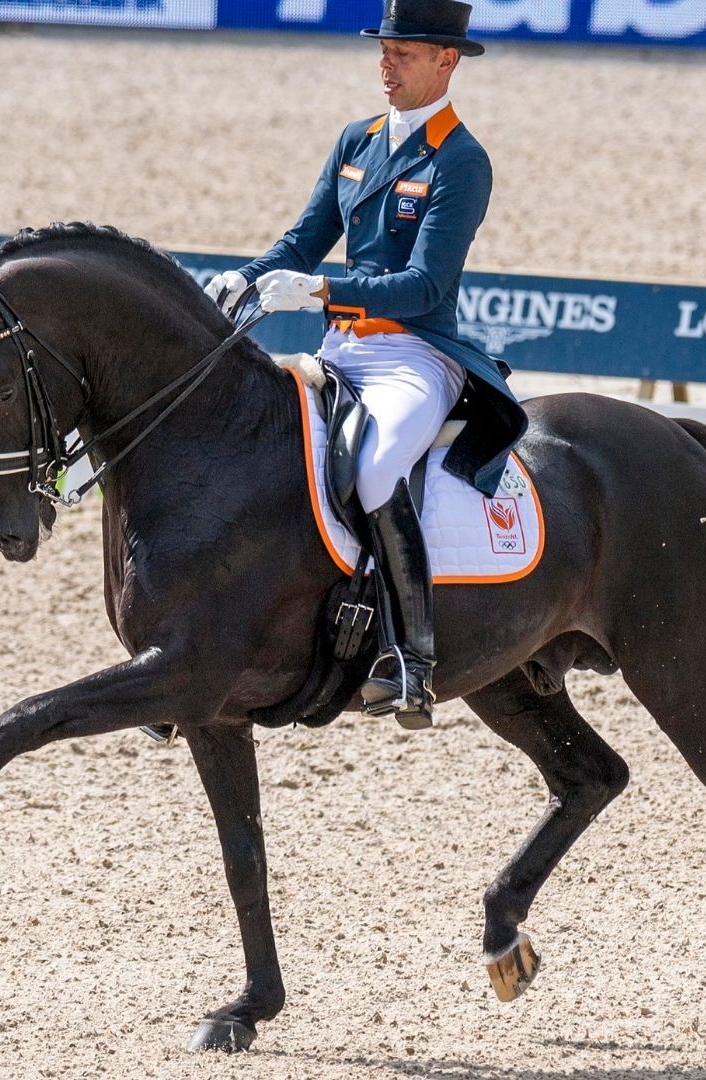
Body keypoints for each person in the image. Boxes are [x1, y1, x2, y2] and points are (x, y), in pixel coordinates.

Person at [205, 0, 527, 729]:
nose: (387, 64)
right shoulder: (358, 139)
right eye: (384, 49)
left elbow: (425, 287)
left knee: (376, 470)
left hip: (413, 356)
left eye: (404, 53)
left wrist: (322, 289)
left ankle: (412, 658)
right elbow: (303, 238)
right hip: (338, 352)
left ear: (446, 61)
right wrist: (248, 277)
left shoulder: (461, 160)